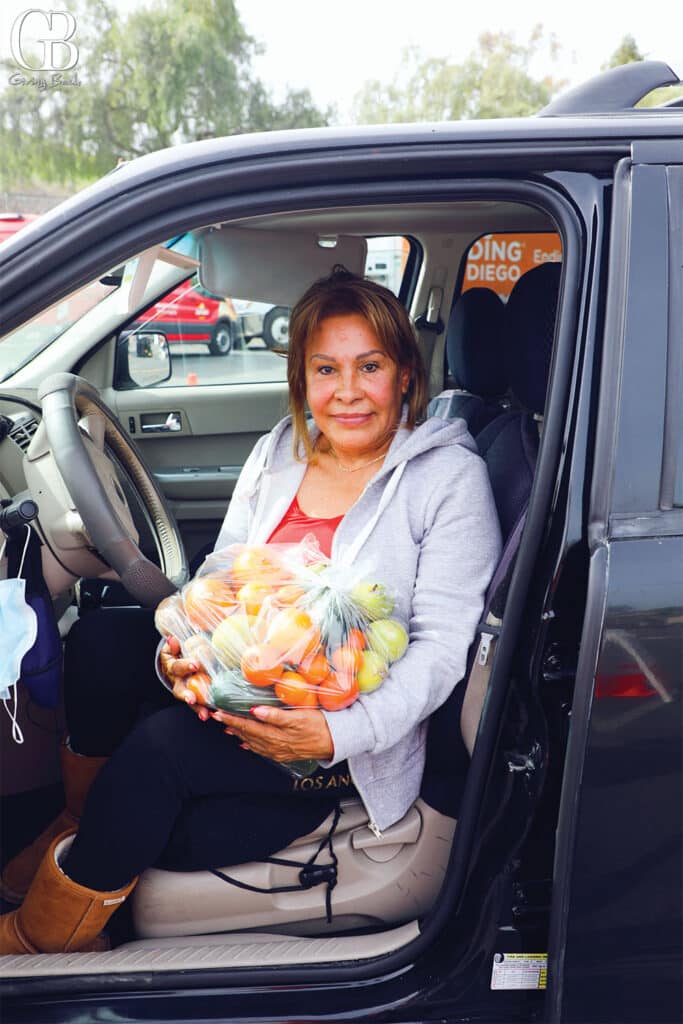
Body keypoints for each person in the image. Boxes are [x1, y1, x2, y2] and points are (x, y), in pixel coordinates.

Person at [0, 267, 501, 955]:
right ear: (301, 378)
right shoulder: (281, 452)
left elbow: (443, 649)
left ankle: (43, 937)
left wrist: (335, 735)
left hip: (335, 728)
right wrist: (180, 646)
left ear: (406, 375)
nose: (347, 391)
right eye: (325, 369)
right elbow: (220, 572)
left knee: (158, 754)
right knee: (101, 645)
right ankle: (76, 820)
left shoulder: (448, 477)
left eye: (370, 366)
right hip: (242, 674)